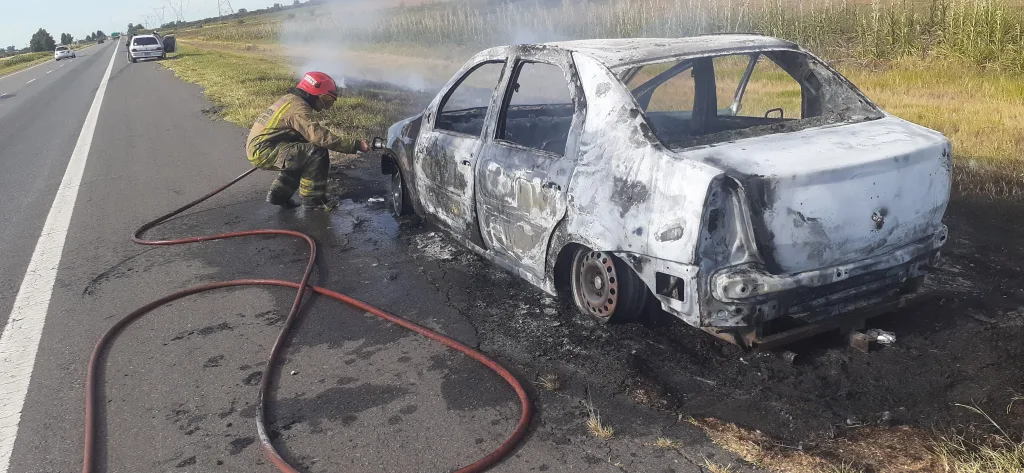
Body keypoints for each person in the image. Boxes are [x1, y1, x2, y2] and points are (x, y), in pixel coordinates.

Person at [246, 71, 369, 210]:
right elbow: (319, 136)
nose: (323, 106)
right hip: (264, 151)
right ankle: (314, 201)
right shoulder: (298, 108)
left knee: (301, 153)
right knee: (316, 151)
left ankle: (278, 195)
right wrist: (356, 145)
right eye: (325, 100)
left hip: (263, 147)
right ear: (313, 92)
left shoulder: (290, 100)